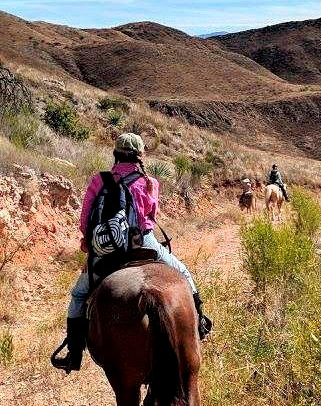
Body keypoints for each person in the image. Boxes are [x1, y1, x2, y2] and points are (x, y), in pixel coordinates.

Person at [51, 133, 212, 373]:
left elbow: (85, 221)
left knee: (79, 294)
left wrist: (92, 245)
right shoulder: (150, 183)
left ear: (115, 153)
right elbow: (151, 216)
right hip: (143, 242)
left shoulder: (99, 180)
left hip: (108, 248)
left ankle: (73, 353)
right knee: (183, 273)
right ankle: (199, 324)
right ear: (140, 155)